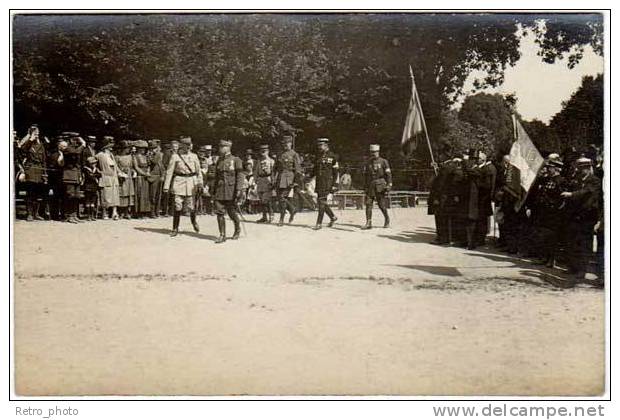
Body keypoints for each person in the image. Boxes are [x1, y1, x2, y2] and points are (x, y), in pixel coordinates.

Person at [560, 157, 602, 283]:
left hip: (587, 217)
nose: (580, 170)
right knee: (572, 242)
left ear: (589, 168)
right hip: (575, 216)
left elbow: (585, 192)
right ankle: (573, 267)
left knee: (584, 245)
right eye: (579, 168)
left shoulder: (594, 181)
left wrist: (571, 194)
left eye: (583, 168)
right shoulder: (577, 180)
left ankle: (582, 271)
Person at [163, 137, 202, 236]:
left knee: (191, 206)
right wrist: (166, 186)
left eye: (189, 145)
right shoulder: (175, 157)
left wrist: (200, 183)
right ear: (182, 145)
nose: (188, 147)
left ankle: (194, 222)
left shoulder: (194, 156)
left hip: (191, 183)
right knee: (177, 205)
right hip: (179, 182)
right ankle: (175, 228)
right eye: (186, 145)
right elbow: (169, 172)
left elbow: (199, 172)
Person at [212, 139, 244, 243]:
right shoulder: (219, 161)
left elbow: (240, 175)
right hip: (220, 190)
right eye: (220, 147)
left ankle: (237, 229)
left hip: (231, 190)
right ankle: (222, 235)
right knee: (219, 212)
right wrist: (213, 190)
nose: (220, 149)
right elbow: (217, 177)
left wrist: (239, 189)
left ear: (228, 148)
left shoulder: (236, 160)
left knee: (231, 212)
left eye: (222, 147)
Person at [18, 124, 48, 221]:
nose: (37, 135)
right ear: (31, 134)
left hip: (39, 170)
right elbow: (22, 151)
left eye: (38, 134)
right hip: (30, 170)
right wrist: (30, 140)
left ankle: (36, 213)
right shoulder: (27, 143)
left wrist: (44, 173)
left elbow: (43, 160)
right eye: (35, 133)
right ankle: (29, 214)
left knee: (38, 193)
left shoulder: (41, 145)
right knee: (30, 193)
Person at [361, 144, 392, 229]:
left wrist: (389, 185)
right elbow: (366, 175)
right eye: (372, 152)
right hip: (370, 185)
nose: (373, 154)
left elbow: (388, 174)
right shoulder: (368, 162)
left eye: (375, 152)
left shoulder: (384, 161)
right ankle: (368, 223)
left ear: (378, 152)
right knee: (368, 204)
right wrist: (365, 186)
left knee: (381, 205)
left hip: (380, 185)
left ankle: (387, 219)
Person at [274, 135, 302, 226]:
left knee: (282, 198)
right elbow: (275, 168)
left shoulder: (294, 154)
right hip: (280, 178)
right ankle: (292, 209)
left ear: (291, 144)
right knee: (280, 198)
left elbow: (298, 169)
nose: (285, 145)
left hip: (289, 178)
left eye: (287, 143)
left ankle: (281, 219)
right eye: (284, 143)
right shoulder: (280, 154)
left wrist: (296, 181)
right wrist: (273, 178)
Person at [313, 137, 339, 230]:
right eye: (318, 145)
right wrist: (308, 177)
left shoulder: (333, 157)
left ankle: (319, 223)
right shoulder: (318, 156)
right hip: (319, 182)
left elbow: (336, 172)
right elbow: (315, 170)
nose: (319, 147)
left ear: (326, 145)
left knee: (321, 202)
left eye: (321, 145)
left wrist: (335, 185)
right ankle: (332, 217)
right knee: (321, 202)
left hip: (328, 182)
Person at [60, 133, 86, 223]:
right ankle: (68, 215)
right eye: (74, 140)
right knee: (70, 196)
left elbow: (79, 163)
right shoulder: (67, 149)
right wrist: (83, 144)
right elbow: (76, 152)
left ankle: (74, 215)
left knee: (76, 196)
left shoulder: (75, 149)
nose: (75, 141)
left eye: (76, 140)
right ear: (70, 140)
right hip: (69, 175)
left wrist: (81, 175)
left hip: (76, 175)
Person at [95, 136, 120, 220]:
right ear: (106, 147)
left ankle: (114, 212)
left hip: (114, 177)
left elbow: (116, 166)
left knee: (115, 195)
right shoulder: (100, 155)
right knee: (105, 196)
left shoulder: (112, 155)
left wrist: (120, 173)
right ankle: (104, 213)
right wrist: (99, 172)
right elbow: (92, 163)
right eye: (110, 146)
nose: (111, 148)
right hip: (106, 177)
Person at [475, 151, 496, 246]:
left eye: (477, 159)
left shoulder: (487, 169)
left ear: (482, 160)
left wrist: (477, 184)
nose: (476, 161)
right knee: (481, 218)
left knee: (482, 219)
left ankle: (480, 238)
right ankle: (479, 237)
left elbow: (487, 185)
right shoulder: (484, 168)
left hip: (484, 198)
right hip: (483, 198)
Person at [254, 144, 276, 223]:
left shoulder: (271, 161)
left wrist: (273, 182)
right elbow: (256, 171)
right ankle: (264, 217)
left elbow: (273, 172)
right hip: (260, 180)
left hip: (268, 180)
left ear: (268, 151)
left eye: (265, 151)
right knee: (261, 200)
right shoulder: (259, 161)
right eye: (262, 151)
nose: (263, 152)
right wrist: (255, 180)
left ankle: (271, 215)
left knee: (267, 199)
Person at [116, 141, 136, 219]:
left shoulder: (130, 157)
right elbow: (116, 167)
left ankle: (127, 211)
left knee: (129, 193)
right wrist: (121, 172)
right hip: (122, 177)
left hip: (129, 177)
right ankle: (121, 212)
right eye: (127, 148)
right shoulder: (117, 157)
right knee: (122, 193)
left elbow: (132, 167)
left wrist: (133, 171)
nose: (128, 150)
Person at [132, 140, 151, 218]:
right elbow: (136, 167)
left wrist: (148, 171)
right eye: (141, 148)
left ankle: (145, 211)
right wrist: (144, 173)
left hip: (146, 176)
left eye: (144, 148)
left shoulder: (145, 156)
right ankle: (138, 212)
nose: (143, 150)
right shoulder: (135, 156)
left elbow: (149, 165)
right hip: (139, 176)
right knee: (139, 194)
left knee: (146, 194)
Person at [147, 139, 165, 218]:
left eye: (155, 148)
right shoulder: (151, 155)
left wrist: (162, 175)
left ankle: (157, 212)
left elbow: (161, 166)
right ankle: (152, 212)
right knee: (152, 195)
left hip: (158, 175)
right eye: (152, 148)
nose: (154, 149)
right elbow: (153, 162)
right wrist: (150, 155)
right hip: (152, 176)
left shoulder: (158, 154)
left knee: (158, 195)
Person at [82, 156, 101, 221]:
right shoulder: (85, 169)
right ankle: (88, 215)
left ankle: (92, 215)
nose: (94, 164)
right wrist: (95, 175)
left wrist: (94, 175)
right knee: (87, 201)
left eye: (95, 163)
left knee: (93, 201)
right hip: (87, 187)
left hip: (94, 187)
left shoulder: (96, 169)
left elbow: (99, 175)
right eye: (93, 163)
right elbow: (89, 176)